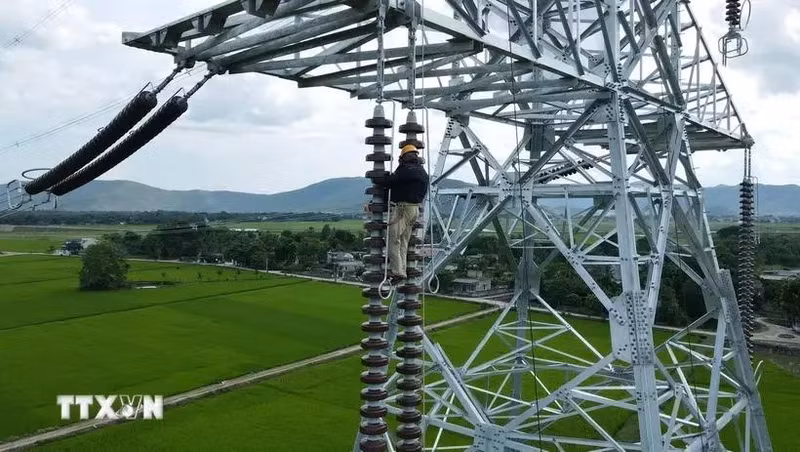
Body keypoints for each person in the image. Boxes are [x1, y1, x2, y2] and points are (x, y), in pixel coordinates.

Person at [382, 144, 429, 284]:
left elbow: (390, 182)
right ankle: (401, 271)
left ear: (404, 157)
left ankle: (397, 272)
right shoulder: (422, 171)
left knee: (393, 240)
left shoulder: (406, 169)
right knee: (403, 242)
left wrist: (385, 178)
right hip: (414, 210)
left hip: (402, 209)